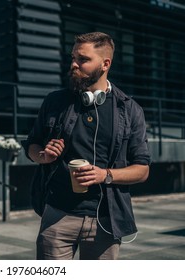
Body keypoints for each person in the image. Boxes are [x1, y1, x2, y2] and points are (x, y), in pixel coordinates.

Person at [23, 32, 151, 260]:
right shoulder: (55, 101)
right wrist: (42, 155)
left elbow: (142, 170)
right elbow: (31, 144)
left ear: (105, 64)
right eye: (73, 57)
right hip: (57, 216)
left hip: (105, 220)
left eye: (82, 59)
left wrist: (104, 175)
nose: (74, 64)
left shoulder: (130, 110)